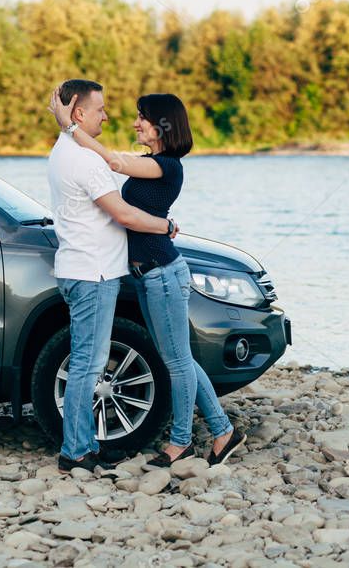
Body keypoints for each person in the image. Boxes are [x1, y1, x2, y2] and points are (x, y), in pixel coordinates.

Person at [50, 88, 246, 467]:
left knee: (176, 362)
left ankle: (180, 443)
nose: (134, 122)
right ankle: (223, 432)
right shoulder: (149, 161)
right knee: (181, 359)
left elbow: (112, 161)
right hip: (147, 276)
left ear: (162, 127)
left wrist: (67, 127)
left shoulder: (167, 166)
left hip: (163, 274)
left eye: (143, 117)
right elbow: (114, 165)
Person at [47, 79, 180, 474]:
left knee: (87, 361)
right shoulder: (84, 160)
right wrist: (165, 226)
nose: (107, 115)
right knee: (87, 365)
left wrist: (64, 126)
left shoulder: (62, 150)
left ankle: (84, 444)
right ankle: (75, 453)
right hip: (93, 273)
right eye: (100, 108)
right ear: (78, 113)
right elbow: (122, 214)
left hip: (80, 268)